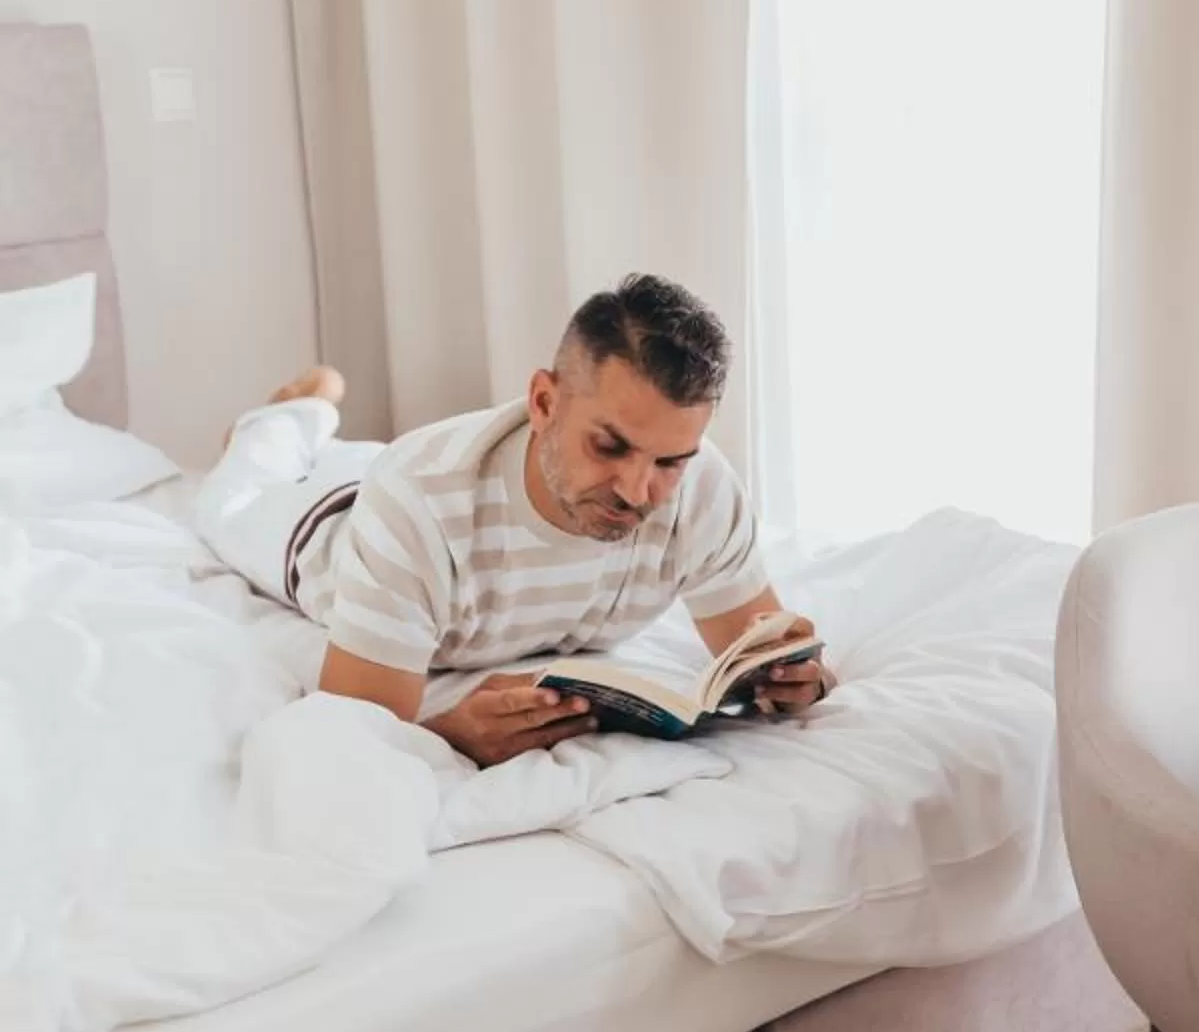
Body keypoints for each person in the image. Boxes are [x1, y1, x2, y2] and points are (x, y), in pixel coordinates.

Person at [195, 273, 827, 766]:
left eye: (671, 460)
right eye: (609, 447)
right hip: (326, 527)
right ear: (544, 402)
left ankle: (312, 429)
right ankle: (284, 419)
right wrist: (450, 734)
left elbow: (758, 649)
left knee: (364, 464)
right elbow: (357, 726)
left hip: (413, 481)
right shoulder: (417, 500)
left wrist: (796, 678)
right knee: (231, 499)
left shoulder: (703, 487)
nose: (639, 491)